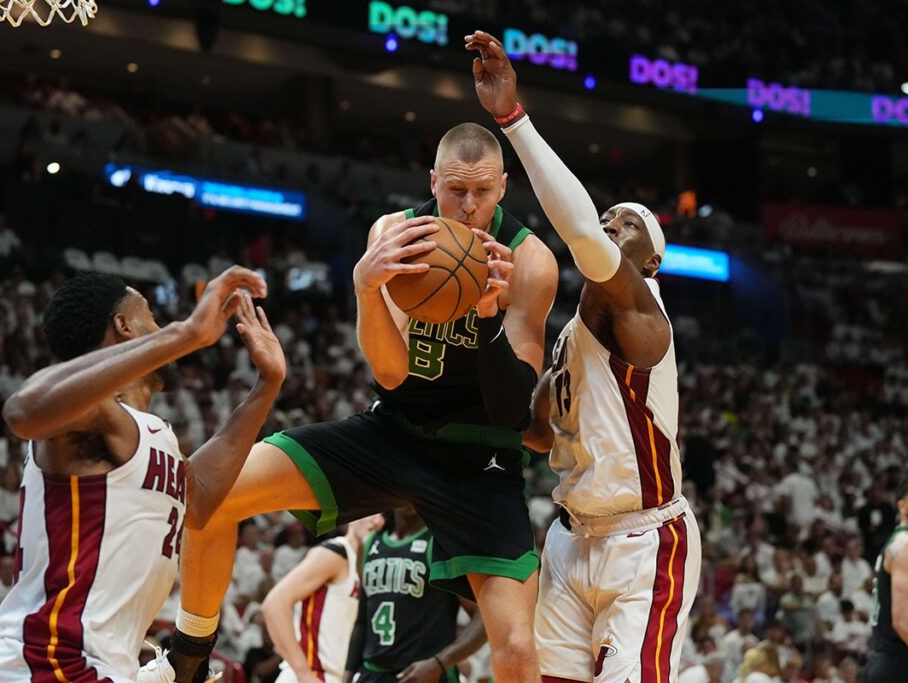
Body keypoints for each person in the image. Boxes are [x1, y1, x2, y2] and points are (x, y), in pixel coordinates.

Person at [164, 121, 559, 683]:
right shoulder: (395, 232)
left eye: (482, 192)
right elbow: (391, 373)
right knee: (210, 491)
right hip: (394, 433)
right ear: (432, 181)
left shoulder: (531, 261)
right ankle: (188, 658)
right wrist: (365, 288)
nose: (468, 205)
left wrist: (490, 314)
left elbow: (510, 411)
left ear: (502, 188)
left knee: (518, 650)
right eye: (455, 190)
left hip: (480, 458)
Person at [465, 30, 702, 683]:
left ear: (650, 260)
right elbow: (533, 431)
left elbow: (576, 236)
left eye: (623, 223)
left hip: (643, 540)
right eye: (604, 215)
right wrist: (484, 323)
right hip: (570, 536)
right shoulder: (573, 337)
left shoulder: (641, 309)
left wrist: (513, 120)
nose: (606, 223)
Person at [0, 267, 286, 683]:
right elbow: (21, 411)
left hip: (99, 668)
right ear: (123, 326)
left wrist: (267, 385)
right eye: (153, 319)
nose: (163, 328)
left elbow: (201, 500)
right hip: (50, 665)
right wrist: (187, 333)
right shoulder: (93, 415)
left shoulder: (152, 432)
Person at [345, 507, 488, 683]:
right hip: (373, 673)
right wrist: (347, 677)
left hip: (426, 674)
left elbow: (484, 617)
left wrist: (440, 663)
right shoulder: (369, 544)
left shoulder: (443, 543)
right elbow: (362, 622)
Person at [263, 515, 384, 683]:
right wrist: (303, 673)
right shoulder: (335, 552)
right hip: (313, 675)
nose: (376, 520)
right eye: (372, 511)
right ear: (354, 512)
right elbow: (274, 604)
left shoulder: (377, 564)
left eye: (383, 514)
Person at [863, 470, 908, 683]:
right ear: (902, 506)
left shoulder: (897, 542)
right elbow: (904, 620)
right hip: (905, 664)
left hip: (886, 661)